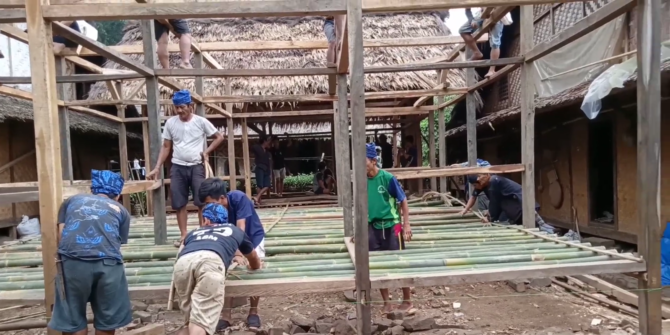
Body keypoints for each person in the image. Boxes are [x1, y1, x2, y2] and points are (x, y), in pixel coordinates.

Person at [49, 170, 132, 335]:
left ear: (93, 189)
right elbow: (117, 242)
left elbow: (61, 235)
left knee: (73, 319)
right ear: (117, 195)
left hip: (73, 261)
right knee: (107, 320)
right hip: (108, 263)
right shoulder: (121, 210)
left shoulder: (72, 201)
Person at [146, 90, 224, 247]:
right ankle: (184, 235)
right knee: (179, 202)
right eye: (177, 107)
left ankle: (203, 232)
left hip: (197, 166)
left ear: (191, 106)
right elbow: (166, 147)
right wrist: (157, 167)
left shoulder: (201, 122)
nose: (179, 110)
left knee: (201, 201)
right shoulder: (170, 123)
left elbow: (219, 137)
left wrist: (206, 152)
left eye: (182, 107)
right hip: (178, 167)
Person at [173, 203, 261, 335]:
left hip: (182, 264)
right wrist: (254, 266)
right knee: (200, 322)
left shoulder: (193, 232)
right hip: (210, 263)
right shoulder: (234, 230)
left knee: (190, 321)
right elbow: (253, 257)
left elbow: (183, 249)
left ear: (206, 220)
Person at [197, 178, 266, 330]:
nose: (209, 207)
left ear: (222, 198)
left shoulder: (239, 198)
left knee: (254, 270)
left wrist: (238, 253)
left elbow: (241, 228)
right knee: (226, 272)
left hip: (252, 237)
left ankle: (253, 311)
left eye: (211, 203)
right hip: (229, 242)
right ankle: (226, 315)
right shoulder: (213, 210)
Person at [365, 143, 413, 313]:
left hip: (394, 226)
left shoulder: (387, 178)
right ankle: (387, 302)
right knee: (377, 265)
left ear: (372, 160)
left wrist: (406, 224)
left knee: (399, 262)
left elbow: (403, 200)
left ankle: (407, 300)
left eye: (363, 160)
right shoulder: (361, 181)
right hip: (373, 227)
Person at [459, 174, 555, 233]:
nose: (475, 187)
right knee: (536, 229)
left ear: (480, 181)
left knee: (540, 228)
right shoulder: (485, 185)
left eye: (475, 185)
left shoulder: (494, 182)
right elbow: (473, 196)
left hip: (523, 207)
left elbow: (494, 203)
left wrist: (489, 218)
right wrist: (466, 209)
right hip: (515, 210)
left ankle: (561, 235)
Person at [459, 7, 505, 78]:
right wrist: (471, 20)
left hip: (497, 10)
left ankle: (491, 70)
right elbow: (467, 8)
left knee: (495, 42)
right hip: (482, 14)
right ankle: (477, 53)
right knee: (463, 30)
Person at [252, 136, 272, 205]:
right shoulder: (257, 148)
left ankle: (257, 197)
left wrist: (270, 173)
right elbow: (253, 147)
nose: (269, 143)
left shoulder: (267, 152)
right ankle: (258, 200)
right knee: (260, 185)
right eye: (268, 141)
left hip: (266, 169)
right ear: (264, 141)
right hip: (260, 168)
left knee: (267, 185)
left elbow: (269, 163)